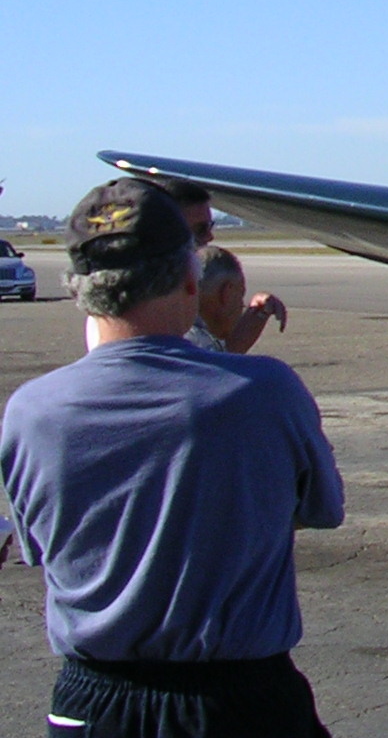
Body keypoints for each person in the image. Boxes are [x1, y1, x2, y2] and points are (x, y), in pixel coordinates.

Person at [1, 178, 344, 737]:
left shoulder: (31, 412)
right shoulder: (265, 391)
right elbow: (321, 508)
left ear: (77, 290)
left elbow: (41, 548)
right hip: (240, 703)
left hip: (91, 704)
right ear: (191, 278)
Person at [157, 179, 287, 352]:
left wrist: (258, 314)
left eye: (210, 226)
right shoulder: (149, 297)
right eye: (201, 229)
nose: (210, 237)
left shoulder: (187, 282)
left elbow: (223, 355)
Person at [188, 245, 249, 353]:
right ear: (227, 293)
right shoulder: (202, 347)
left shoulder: (165, 333)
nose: (241, 306)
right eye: (240, 296)